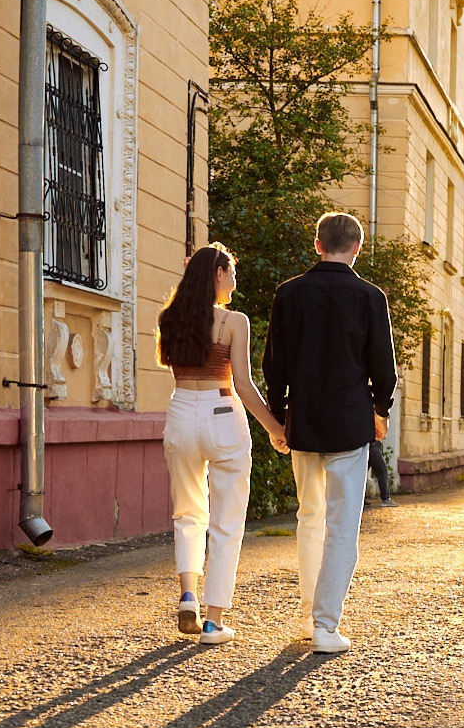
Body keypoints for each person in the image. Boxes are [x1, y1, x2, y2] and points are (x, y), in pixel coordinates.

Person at [262, 212, 397, 654]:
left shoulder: (289, 294)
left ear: (317, 244)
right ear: (356, 247)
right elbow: (384, 369)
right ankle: (324, 625)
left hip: (303, 422)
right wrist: (380, 410)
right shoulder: (369, 296)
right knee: (342, 526)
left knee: (309, 517)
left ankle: (307, 615)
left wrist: (279, 418)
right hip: (349, 423)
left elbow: (274, 366)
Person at [156, 244, 286, 645]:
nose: (235, 280)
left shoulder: (170, 318)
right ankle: (212, 621)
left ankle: (189, 594)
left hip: (180, 412)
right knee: (226, 521)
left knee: (187, 513)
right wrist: (275, 427)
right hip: (222, 415)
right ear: (216, 274)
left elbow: (169, 364)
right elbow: (244, 385)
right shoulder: (234, 321)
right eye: (230, 272)